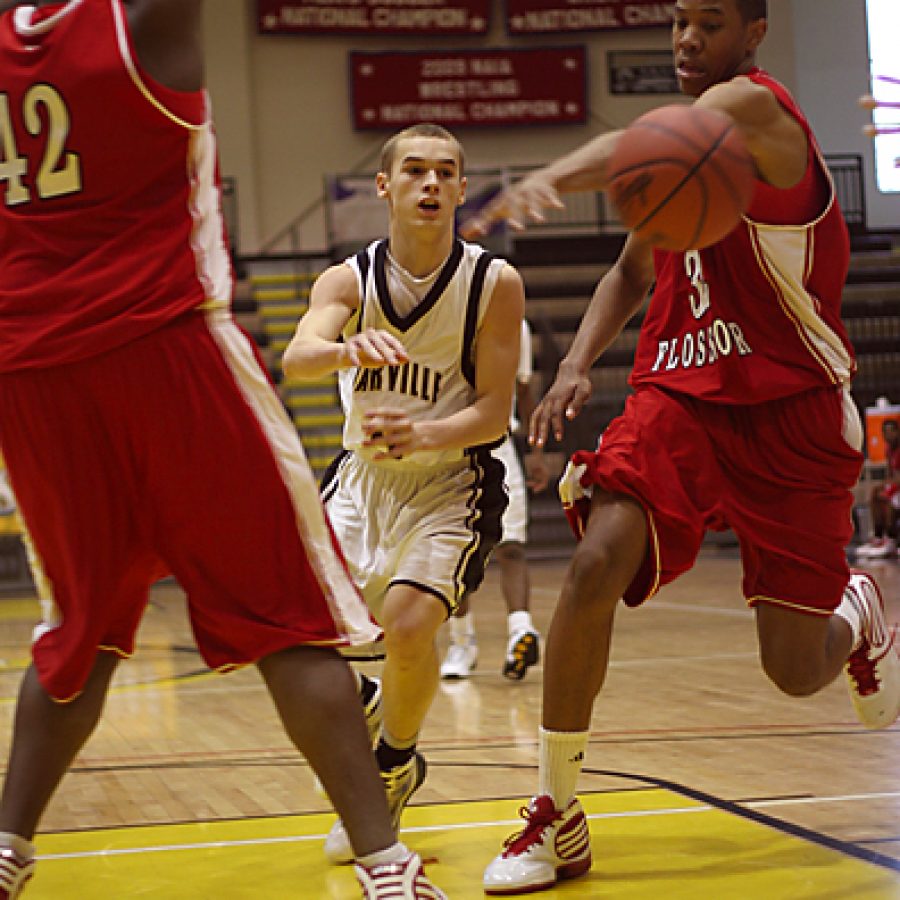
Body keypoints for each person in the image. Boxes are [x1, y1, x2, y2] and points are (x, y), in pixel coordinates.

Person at [0, 3, 444, 899]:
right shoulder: (141, 24)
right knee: (290, 614)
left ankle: (6, 848)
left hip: (28, 372)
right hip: (164, 346)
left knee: (77, 628)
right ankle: (387, 869)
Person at [461, 0, 900, 893]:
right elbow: (631, 268)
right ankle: (558, 815)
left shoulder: (760, 111)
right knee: (593, 565)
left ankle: (856, 612)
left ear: (753, 33)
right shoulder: (680, 168)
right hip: (682, 395)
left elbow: (637, 145)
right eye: (676, 24)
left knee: (793, 670)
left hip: (791, 408)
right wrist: (580, 363)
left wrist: (546, 176)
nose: (686, 41)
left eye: (708, 23)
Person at [282, 122, 525, 865]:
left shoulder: (494, 283)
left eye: (445, 172)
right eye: (414, 171)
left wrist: (427, 436)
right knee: (286, 633)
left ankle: (393, 763)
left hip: (449, 479)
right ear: (384, 186)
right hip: (361, 478)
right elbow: (297, 358)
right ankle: (370, 710)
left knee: (411, 624)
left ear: (459, 188)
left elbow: (492, 410)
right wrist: (344, 348)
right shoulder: (347, 280)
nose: (430, 184)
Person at [440, 318, 550, 681]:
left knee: (512, 546)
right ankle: (462, 643)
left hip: (500, 447)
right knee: (454, 554)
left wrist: (535, 453)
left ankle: (521, 630)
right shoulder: (442, 312)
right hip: (449, 447)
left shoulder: (513, 322)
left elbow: (524, 390)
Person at [856, 418, 900, 558]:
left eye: (890, 432)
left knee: (889, 498)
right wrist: (885, 486)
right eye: (884, 432)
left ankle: (892, 539)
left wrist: (888, 486)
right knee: (875, 493)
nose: (887, 435)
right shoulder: (889, 450)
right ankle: (879, 536)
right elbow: (890, 473)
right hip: (895, 485)